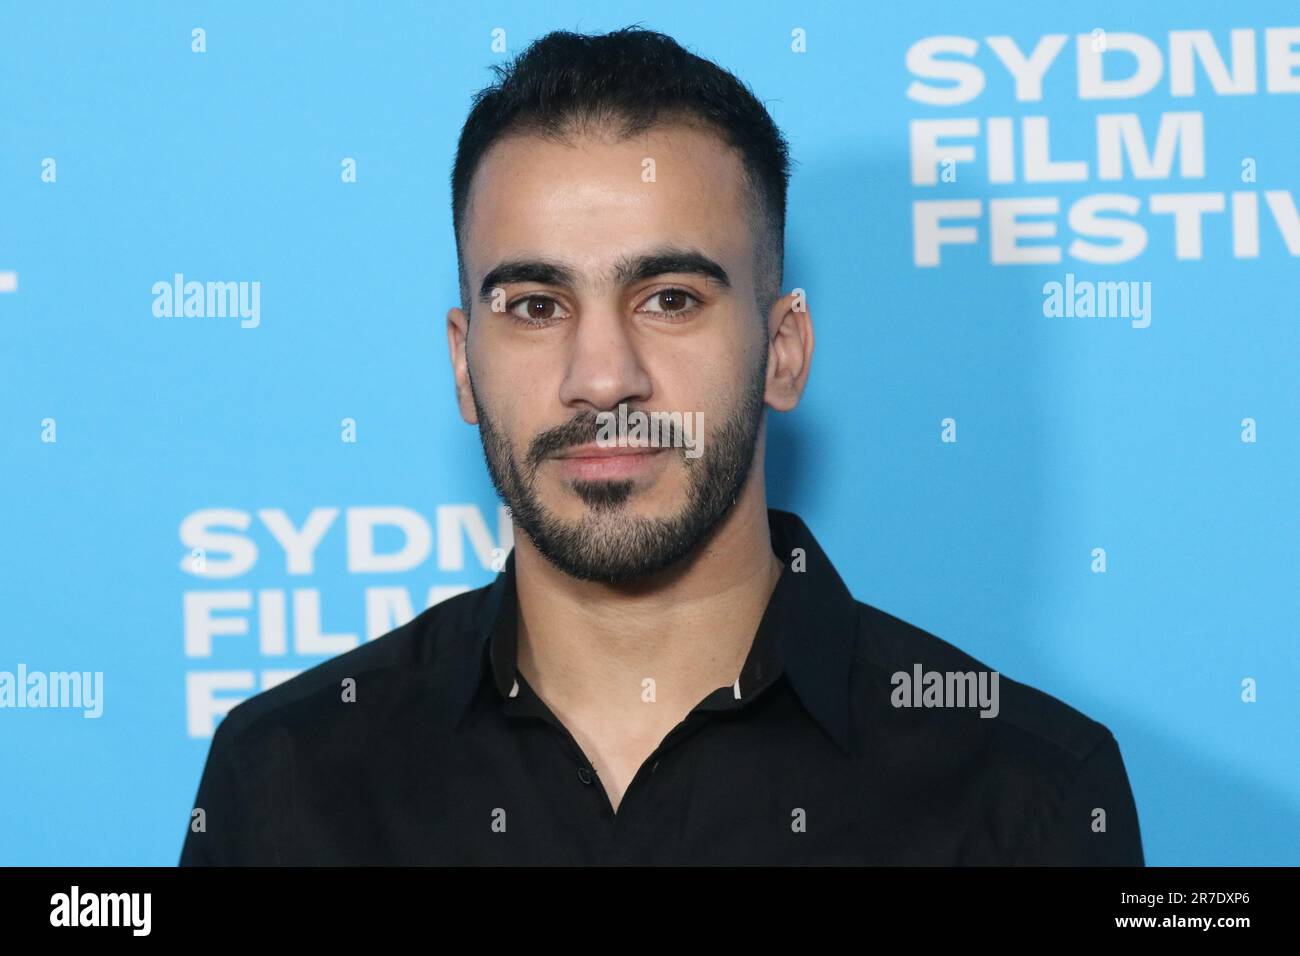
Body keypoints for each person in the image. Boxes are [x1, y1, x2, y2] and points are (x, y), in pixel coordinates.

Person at [180, 26, 1143, 865]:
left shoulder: (1026, 792)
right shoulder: (288, 779)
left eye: (670, 299)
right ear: (464, 366)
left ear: (783, 350)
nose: (602, 378)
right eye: (535, 305)